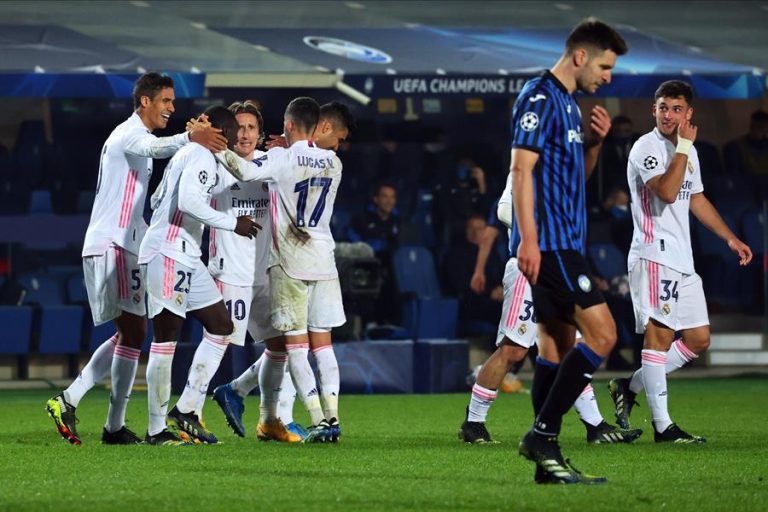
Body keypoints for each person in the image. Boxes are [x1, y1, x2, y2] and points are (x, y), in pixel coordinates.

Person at [45, 72, 227, 445]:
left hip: (124, 243)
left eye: (173, 101)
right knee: (133, 331)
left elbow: (153, 178)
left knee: (131, 333)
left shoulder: (138, 139)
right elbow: (155, 148)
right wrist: (190, 137)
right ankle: (70, 400)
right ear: (145, 101)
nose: (171, 108)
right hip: (113, 243)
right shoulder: (128, 133)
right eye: (166, 101)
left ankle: (111, 426)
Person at [511, 18, 628, 484]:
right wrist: (530, 239)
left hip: (564, 243)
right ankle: (541, 436)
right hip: (552, 245)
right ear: (580, 56)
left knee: (558, 349)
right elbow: (521, 171)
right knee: (603, 335)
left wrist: (594, 146)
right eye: (604, 66)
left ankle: (548, 461)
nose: (608, 77)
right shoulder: (539, 97)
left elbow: (572, 178)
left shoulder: (569, 104)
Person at [608, 80, 752, 443]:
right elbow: (668, 192)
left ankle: (629, 386)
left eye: (676, 109)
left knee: (699, 339)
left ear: (689, 113)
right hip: (654, 253)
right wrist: (684, 147)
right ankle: (663, 427)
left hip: (682, 258)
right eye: (663, 108)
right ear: (653, 110)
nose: (668, 115)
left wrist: (730, 237)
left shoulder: (688, 151)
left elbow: (695, 198)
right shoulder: (647, 147)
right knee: (659, 336)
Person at [459, 175, 641, 448]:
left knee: (571, 348)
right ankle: (473, 422)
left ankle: (596, 425)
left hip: (556, 270)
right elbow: (504, 211)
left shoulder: (557, 173)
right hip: (527, 268)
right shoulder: (524, 168)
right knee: (513, 350)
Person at [213, 101, 353, 442]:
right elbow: (307, 160)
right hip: (324, 260)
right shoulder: (334, 163)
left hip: (289, 263)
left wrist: (216, 147)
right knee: (324, 347)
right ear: (317, 126)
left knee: (296, 348)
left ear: (288, 125)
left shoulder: (281, 158)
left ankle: (316, 419)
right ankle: (333, 419)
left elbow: (245, 171)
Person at [166, 100, 301, 443]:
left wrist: (291, 148)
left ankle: (266, 418)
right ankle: (190, 411)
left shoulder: (270, 163)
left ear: (260, 133)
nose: (244, 134)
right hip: (230, 271)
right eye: (239, 127)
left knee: (282, 345)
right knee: (219, 338)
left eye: (251, 128)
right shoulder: (215, 162)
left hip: (266, 272)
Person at [138, 105, 261, 445]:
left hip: (187, 255)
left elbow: (158, 198)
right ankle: (156, 430)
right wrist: (233, 224)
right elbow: (190, 203)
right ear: (222, 133)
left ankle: (187, 410)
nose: (236, 139)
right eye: (232, 133)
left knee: (221, 326)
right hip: (168, 253)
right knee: (165, 340)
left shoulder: (192, 155)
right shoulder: (200, 155)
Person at [723, 109, 768, 176]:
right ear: (751, 126)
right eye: (759, 127)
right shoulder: (735, 147)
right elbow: (734, 175)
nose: (762, 131)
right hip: (745, 182)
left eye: (764, 128)